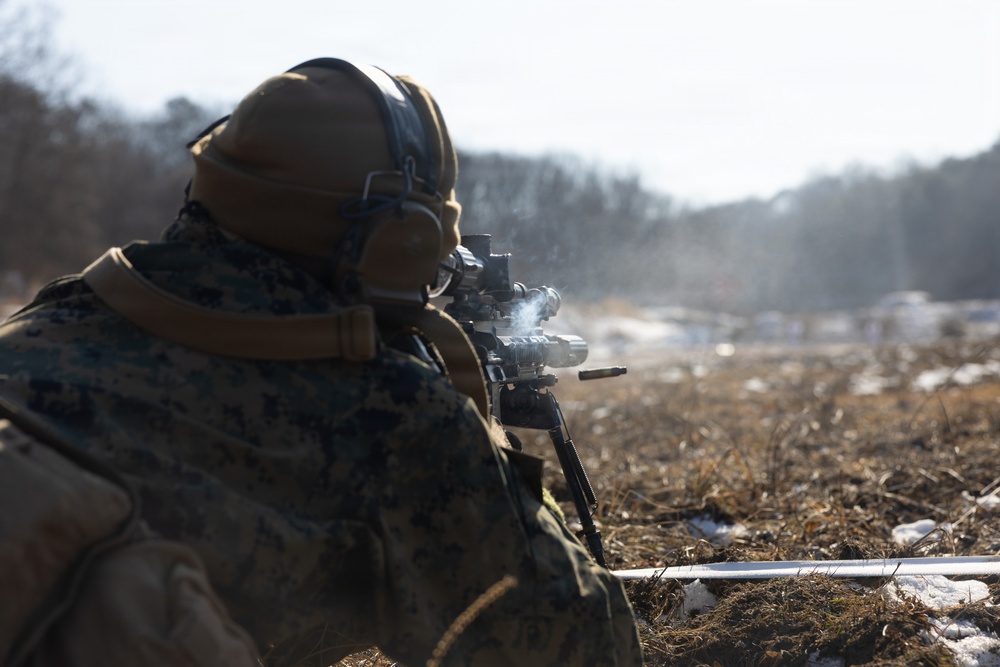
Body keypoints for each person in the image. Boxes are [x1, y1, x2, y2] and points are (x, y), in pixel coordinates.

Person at [0, 58, 643, 666]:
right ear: (406, 238)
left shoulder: (53, 314)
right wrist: (476, 434)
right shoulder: (389, 412)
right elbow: (581, 642)